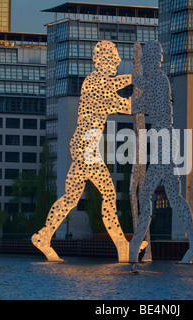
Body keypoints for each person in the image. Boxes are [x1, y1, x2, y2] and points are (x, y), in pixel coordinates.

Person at [32, 41, 140, 262]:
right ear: (103, 61)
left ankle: (44, 235)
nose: (119, 62)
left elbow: (118, 82)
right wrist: (146, 93)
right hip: (86, 146)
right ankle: (122, 246)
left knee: (71, 198)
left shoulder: (96, 80)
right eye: (114, 58)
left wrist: (136, 78)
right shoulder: (95, 84)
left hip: (83, 145)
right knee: (108, 194)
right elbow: (126, 105)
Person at [129, 40, 193, 264]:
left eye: (146, 60)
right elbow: (138, 100)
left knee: (145, 194)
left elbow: (138, 103)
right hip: (166, 141)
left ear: (153, 60)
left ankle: (136, 244)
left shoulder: (158, 80)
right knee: (174, 195)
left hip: (165, 143)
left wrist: (123, 81)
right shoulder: (156, 81)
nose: (144, 63)